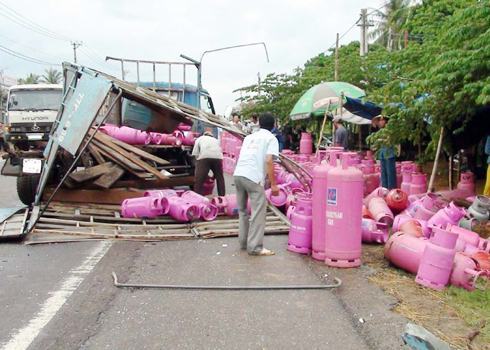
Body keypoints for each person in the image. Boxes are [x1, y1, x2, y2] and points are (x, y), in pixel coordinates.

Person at [233, 112, 279, 256]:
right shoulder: (271, 138)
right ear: (274, 125)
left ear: (259, 123)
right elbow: (269, 160)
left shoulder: (249, 137)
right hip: (253, 177)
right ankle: (255, 247)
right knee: (258, 212)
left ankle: (244, 242)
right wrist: (273, 184)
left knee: (242, 211)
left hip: (238, 174)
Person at [192, 128, 226, 196]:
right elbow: (220, 151)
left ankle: (197, 197)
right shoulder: (216, 140)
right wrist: (214, 175)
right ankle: (222, 197)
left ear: (204, 134)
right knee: (220, 178)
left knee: (199, 180)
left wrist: (198, 166)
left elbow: (195, 153)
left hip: (205, 157)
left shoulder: (200, 139)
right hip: (218, 158)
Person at [373, 116, 397, 189]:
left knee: (390, 174)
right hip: (382, 154)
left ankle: (391, 191)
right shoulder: (380, 131)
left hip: (389, 154)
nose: (379, 123)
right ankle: (384, 190)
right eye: (378, 121)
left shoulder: (390, 129)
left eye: (380, 120)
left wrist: (380, 140)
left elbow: (390, 141)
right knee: (383, 174)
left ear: (385, 121)